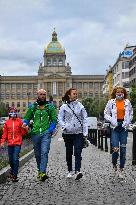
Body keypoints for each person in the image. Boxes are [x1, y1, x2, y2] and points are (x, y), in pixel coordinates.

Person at [23, 89, 57, 181]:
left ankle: (43, 172)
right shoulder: (33, 107)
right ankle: (39, 170)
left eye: (44, 94)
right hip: (35, 133)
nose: (42, 96)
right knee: (37, 154)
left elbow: (54, 120)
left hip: (46, 133)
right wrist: (25, 124)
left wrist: (50, 130)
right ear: (37, 95)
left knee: (44, 152)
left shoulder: (50, 107)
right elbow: (26, 118)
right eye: (41, 94)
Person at [58, 88, 88, 180]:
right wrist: (64, 126)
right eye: (74, 93)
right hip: (67, 133)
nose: (76, 95)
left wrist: (85, 132)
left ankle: (78, 171)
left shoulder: (80, 106)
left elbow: (85, 119)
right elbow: (60, 118)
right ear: (69, 95)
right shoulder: (64, 107)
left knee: (78, 151)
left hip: (78, 133)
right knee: (69, 152)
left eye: (76, 93)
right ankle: (70, 171)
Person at [104, 86, 133, 178]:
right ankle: (114, 165)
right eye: (117, 92)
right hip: (115, 127)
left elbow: (131, 113)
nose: (119, 93)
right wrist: (112, 120)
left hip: (123, 127)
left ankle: (121, 169)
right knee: (115, 149)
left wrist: (127, 122)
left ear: (124, 93)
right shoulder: (111, 102)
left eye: (121, 92)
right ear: (115, 93)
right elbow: (106, 113)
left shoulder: (127, 102)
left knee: (123, 149)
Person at [0, 107, 28, 182]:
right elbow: (4, 134)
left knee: (15, 158)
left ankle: (15, 176)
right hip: (10, 144)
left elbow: (24, 133)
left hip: (17, 143)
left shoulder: (19, 121)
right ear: (9, 113)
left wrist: (24, 128)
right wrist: (2, 142)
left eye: (14, 112)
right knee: (11, 160)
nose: (13, 113)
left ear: (16, 113)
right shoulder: (7, 123)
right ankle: (12, 170)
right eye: (11, 112)